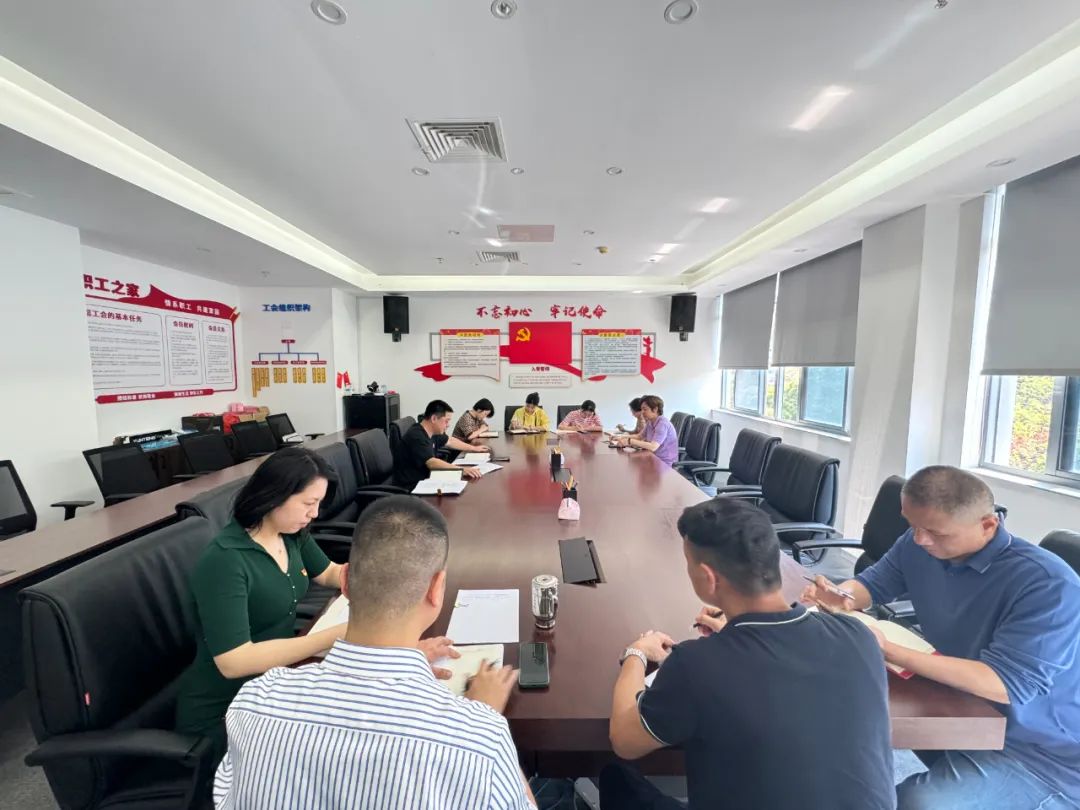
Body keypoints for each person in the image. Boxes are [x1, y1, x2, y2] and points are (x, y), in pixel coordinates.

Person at [214, 496, 537, 809]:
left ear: (345, 583)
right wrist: (485, 715)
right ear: (436, 589)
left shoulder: (254, 702)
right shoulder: (478, 739)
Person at [803, 466, 1080, 809]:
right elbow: (873, 584)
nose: (920, 539)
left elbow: (1005, 684)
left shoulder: (1049, 584)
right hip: (960, 709)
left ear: (987, 525)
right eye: (913, 526)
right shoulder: (919, 544)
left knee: (918, 802)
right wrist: (841, 595)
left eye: (935, 532)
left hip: (1041, 752)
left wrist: (889, 649)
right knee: (849, 756)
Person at [604, 498, 894, 809]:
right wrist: (735, 630)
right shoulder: (859, 637)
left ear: (709, 577)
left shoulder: (694, 664)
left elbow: (625, 740)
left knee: (616, 779)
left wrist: (636, 654)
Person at [174, 448, 349, 758]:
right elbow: (235, 661)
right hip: (227, 711)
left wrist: (384, 577)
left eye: (319, 504)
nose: (315, 514)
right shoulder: (226, 560)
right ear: (275, 495)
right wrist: (332, 636)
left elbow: (330, 573)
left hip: (273, 686)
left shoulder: (290, 533)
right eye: (308, 503)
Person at [393, 399, 491, 490]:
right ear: (434, 418)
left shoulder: (433, 432)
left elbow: (450, 441)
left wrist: (474, 448)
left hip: (427, 478)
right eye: (446, 421)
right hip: (412, 486)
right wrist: (462, 470)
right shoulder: (417, 436)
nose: (448, 425)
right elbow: (432, 462)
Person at [614, 394, 677, 466]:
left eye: (645, 409)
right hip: (653, 457)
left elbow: (653, 447)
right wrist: (621, 438)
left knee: (631, 465)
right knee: (629, 464)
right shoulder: (650, 421)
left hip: (664, 463)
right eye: (641, 409)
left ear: (655, 409)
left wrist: (629, 441)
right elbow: (639, 436)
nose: (642, 412)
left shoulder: (662, 424)